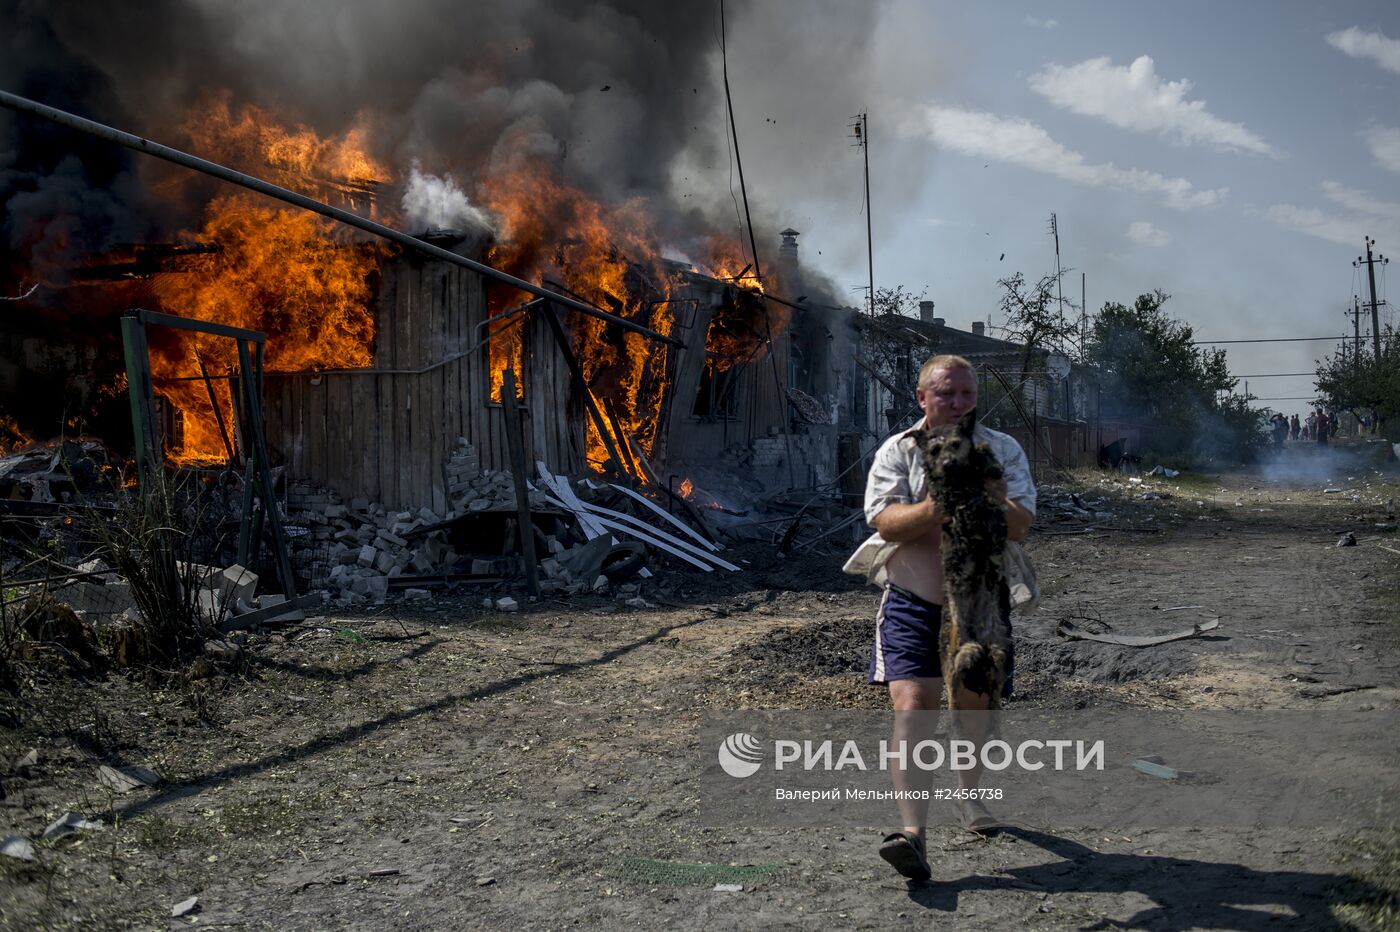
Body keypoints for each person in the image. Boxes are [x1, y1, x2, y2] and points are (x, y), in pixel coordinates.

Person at [843, 355, 1036, 882]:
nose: (956, 403)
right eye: (946, 393)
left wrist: (994, 498)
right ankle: (913, 836)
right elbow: (882, 519)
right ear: (922, 396)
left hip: (978, 600)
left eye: (966, 395)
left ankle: (970, 795)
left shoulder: (1001, 449)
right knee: (914, 706)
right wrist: (938, 504)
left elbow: (1021, 525)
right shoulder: (898, 450)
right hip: (910, 598)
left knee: (973, 705)